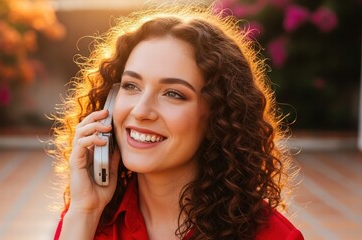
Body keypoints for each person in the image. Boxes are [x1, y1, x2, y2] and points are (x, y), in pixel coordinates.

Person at [51, 3, 304, 240]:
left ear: (218, 115)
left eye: (173, 93)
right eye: (131, 86)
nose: (140, 111)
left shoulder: (274, 236)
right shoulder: (85, 220)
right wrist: (85, 212)